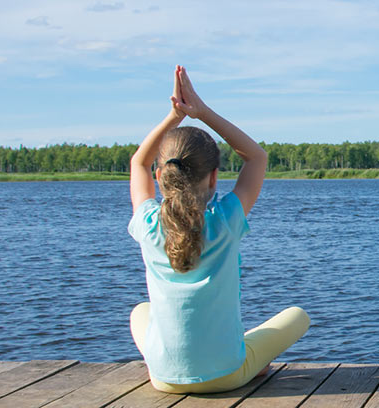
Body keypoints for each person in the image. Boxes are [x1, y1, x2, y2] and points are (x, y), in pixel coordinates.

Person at [128, 65, 309, 393]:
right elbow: (256, 157)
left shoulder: (149, 224)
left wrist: (174, 116)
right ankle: (249, 359)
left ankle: (183, 358)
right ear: (214, 177)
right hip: (227, 374)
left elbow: (138, 162)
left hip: (163, 379)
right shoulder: (225, 219)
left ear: (160, 176)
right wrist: (201, 111)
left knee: (141, 311)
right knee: (298, 317)